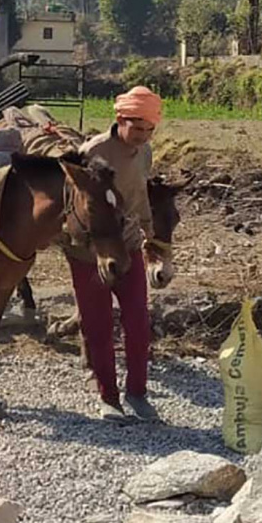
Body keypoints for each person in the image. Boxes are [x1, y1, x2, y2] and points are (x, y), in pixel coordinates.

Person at [67, 86, 163, 423]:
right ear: (119, 119)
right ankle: (108, 397)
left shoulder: (145, 152)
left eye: (149, 130)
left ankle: (138, 393)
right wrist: (92, 247)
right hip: (90, 251)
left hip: (129, 245)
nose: (142, 136)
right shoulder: (93, 153)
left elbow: (140, 196)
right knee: (99, 325)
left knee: (138, 320)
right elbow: (78, 208)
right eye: (137, 129)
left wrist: (151, 238)